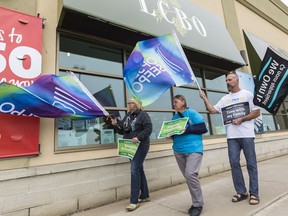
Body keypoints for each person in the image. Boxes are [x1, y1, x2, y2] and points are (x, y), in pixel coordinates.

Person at [199, 71, 260, 205]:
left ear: (237, 80)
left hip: (247, 135)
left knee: (251, 164)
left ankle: (254, 193)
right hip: (232, 137)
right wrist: (204, 98)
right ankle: (241, 192)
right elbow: (213, 110)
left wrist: (242, 119)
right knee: (234, 163)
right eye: (226, 80)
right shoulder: (225, 99)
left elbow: (256, 112)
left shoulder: (248, 95)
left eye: (230, 80)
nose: (227, 82)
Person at [111, 98, 152, 211]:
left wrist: (138, 137)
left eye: (131, 102)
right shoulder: (127, 116)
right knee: (139, 170)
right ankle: (144, 195)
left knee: (134, 170)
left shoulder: (143, 115)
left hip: (141, 145)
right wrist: (116, 125)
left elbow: (149, 129)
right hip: (129, 147)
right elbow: (123, 131)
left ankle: (134, 201)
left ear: (137, 104)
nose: (129, 104)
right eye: (128, 102)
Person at [169, 94, 207, 216]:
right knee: (189, 178)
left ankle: (197, 205)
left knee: (190, 174)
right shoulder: (174, 118)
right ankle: (196, 202)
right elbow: (175, 133)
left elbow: (203, 128)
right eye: (173, 102)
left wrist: (188, 129)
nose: (174, 104)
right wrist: (170, 135)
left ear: (183, 102)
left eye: (176, 102)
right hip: (178, 150)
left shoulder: (192, 113)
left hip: (194, 149)